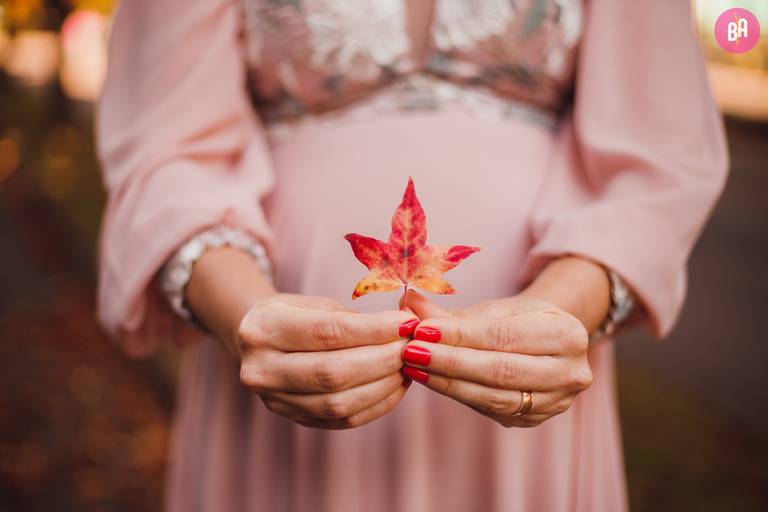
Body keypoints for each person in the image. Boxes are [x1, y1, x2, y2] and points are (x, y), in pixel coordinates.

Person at [96, 0, 728, 510]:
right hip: (278, 406)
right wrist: (241, 308)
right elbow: (164, 146)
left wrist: (570, 303)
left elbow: (659, 155)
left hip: (533, 423)